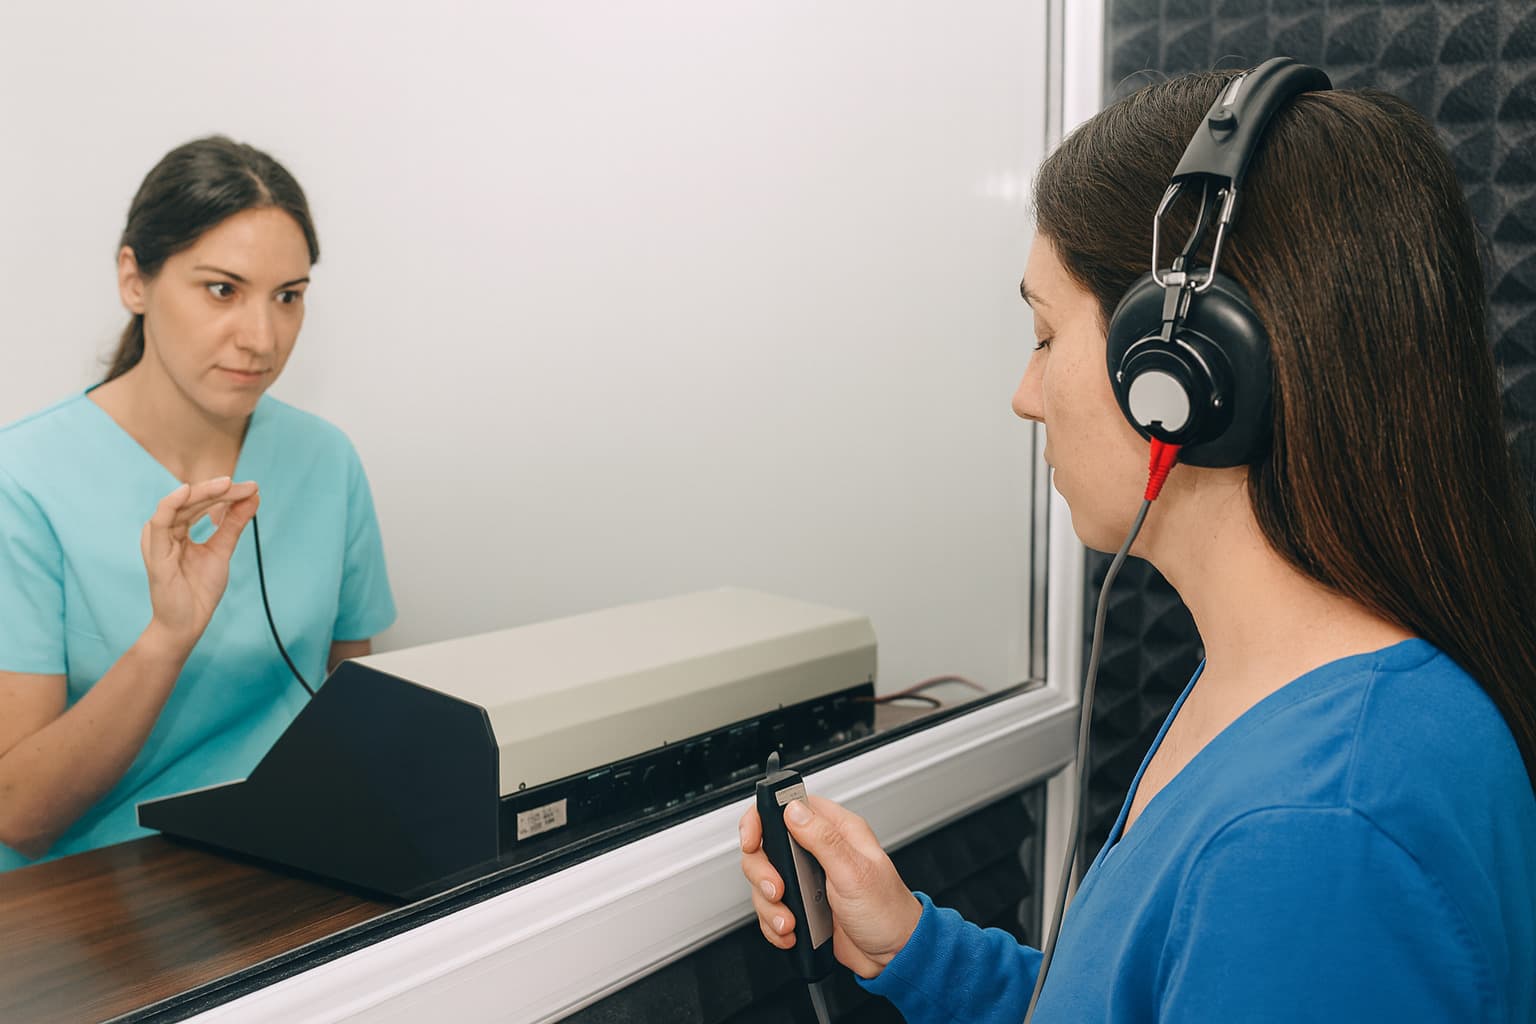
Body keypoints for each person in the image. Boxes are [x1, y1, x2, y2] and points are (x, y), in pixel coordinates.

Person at [740, 68, 1536, 1021]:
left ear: (1181, 369)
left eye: (1043, 336)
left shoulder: (1319, 838)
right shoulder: (1286, 700)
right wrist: (916, 946)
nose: (1023, 395)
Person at [0, 137, 396, 870]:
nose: (262, 337)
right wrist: (167, 638)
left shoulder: (324, 459)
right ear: (134, 279)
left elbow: (356, 710)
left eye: (289, 297)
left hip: (290, 866)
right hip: (93, 898)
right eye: (222, 289)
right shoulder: (19, 481)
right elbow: (20, 814)